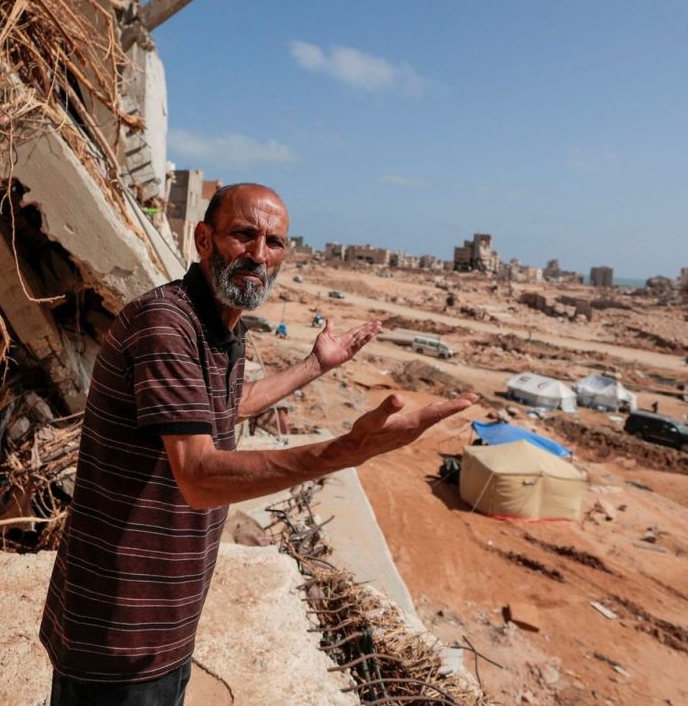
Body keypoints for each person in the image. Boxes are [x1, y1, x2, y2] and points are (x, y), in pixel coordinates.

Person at [40, 183, 475, 705]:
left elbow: (228, 405)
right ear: (204, 239)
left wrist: (315, 366)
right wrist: (348, 450)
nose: (259, 254)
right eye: (243, 235)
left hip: (165, 621)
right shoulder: (166, 325)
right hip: (120, 626)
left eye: (274, 242)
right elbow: (199, 478)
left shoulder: (220, 325)